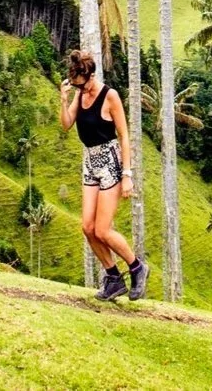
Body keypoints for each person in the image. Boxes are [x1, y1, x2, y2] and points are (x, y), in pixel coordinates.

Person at [59, 47, 147, 300]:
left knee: (102, 230)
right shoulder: (79, 95)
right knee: (87, 227)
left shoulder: (110, 96)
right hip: (89, 161)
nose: (80, 90)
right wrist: (65, 99)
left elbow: (124, 135)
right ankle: (113, 278)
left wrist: (127, 174)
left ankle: (137, 267)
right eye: (75, 86)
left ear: (91, 76)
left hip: (110, 161)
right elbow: (66, 125)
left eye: (81, 85)